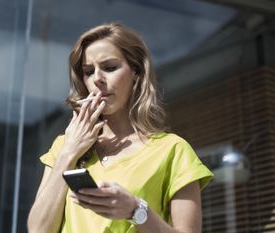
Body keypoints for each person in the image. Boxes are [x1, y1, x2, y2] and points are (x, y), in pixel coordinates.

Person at [27, 23, 213, 233]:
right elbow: (38, 230)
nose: (97, 78)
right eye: (89, 71)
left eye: (109, 67)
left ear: (136, 72)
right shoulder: (64, 145)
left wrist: (136, 210)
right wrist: (69, 153)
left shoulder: (173, 150)